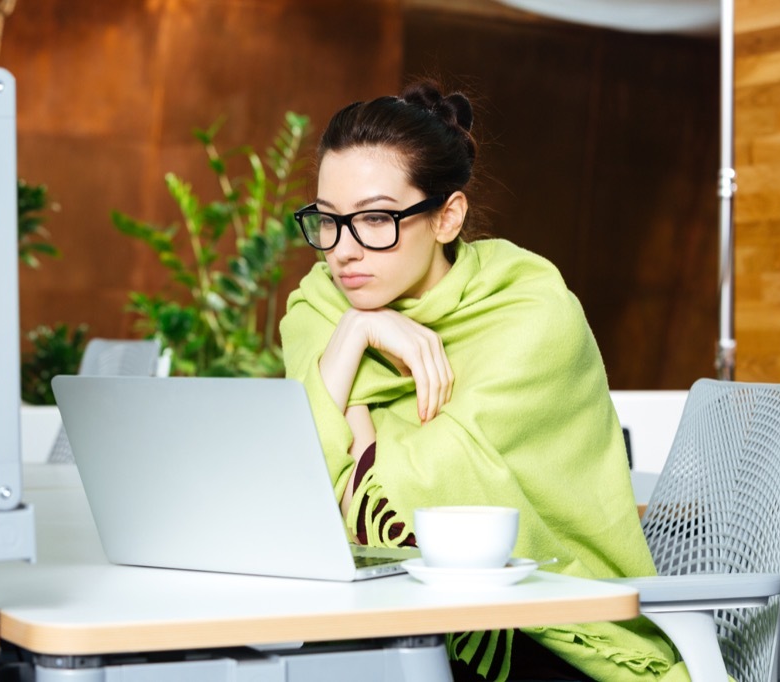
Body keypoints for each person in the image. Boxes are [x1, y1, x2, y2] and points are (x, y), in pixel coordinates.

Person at [279, 81, 688, 681]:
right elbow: (291, 493)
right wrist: (351, 340)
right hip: (377, 616)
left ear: (447, 217)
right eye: (330, 222)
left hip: (543, 633)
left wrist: (353, 427)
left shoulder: (530, 310)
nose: (343, 251)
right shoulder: (321, 311)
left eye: (374, 219)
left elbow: (427, 509)